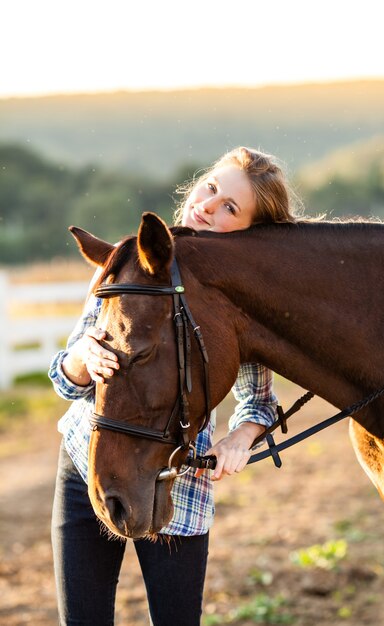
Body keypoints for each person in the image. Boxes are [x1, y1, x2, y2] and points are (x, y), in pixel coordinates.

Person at [49, 146, 297, 626]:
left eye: (230, 208)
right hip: (89, 466)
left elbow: (259, 402)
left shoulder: (239, 299)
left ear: (251, 230)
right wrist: (82, 360)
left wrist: (240, 438)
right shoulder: (124, 262)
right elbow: (65, 379)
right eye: (211, 189)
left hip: (180, 484)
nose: (208, 206)